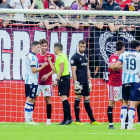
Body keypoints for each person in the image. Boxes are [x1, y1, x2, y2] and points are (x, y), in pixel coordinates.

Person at [109, 40, 140, 130]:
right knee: (133, 104)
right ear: (137, 47)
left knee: (125, 103)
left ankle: (123, 125)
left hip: (124, 81)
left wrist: (112, 65)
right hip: (134, 81)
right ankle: (130, 125)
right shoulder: (139, 55)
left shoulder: (123, 55)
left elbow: (115, 66)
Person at [70, 40, 102, 125]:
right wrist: (75, 83)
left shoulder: (85, 56)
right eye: (81, 46)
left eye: (84, 47)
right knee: (78, 97)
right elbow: (73, 71)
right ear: (78, 46)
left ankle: (92, 120)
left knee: (87, 99)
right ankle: (77, 120)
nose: (82, 48)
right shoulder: (74, 57)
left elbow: (87, 69)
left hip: (85, 81)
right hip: (79, 81)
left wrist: (89, 81)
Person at [49, 42, 73, 125]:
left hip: (64, 78)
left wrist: (56, 79)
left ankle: (69, 118)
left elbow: (61, 69)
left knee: (64, 98)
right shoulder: (62, 56)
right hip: (63, 78)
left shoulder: (60, 57)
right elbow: (56, 70)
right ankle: (65, 119)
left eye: (54, 48)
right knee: (63, 99)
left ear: (56, 48)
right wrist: (49, 61)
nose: (53, 50)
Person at [24, 41, 47, 125]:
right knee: (30, 99)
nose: (39, 48)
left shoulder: (32, 56)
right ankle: (27, 120)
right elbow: (33, 70)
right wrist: (43, 66)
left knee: (32, 99)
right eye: (38, 47)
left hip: (31, 81)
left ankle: (30, 119)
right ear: (33, 47)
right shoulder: (33, 57)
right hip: (31, 81)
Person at [35, 39, 55, 125]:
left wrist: (47, 75)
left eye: (45, 46)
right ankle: (29, 118)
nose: (44, 47)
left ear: (47, 46)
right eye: (42, 46)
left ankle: (48, 120)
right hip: (37, 82)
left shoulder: (51, 56)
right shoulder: (36, 56)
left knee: (48, 100)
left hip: (47, 82)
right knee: (33, 99)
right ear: (40, 46)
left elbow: (54, 70)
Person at [107, 41, 125, 129]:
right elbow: (113, 67)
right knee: (112, 103)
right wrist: (123, 65)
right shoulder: (114, 57)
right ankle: (110, 125)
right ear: (122, 48)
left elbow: (114, 66)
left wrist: (120, 66)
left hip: (121, 83)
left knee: (125, 102)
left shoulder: (122, 57)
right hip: (113, 83)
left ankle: (125, 123)